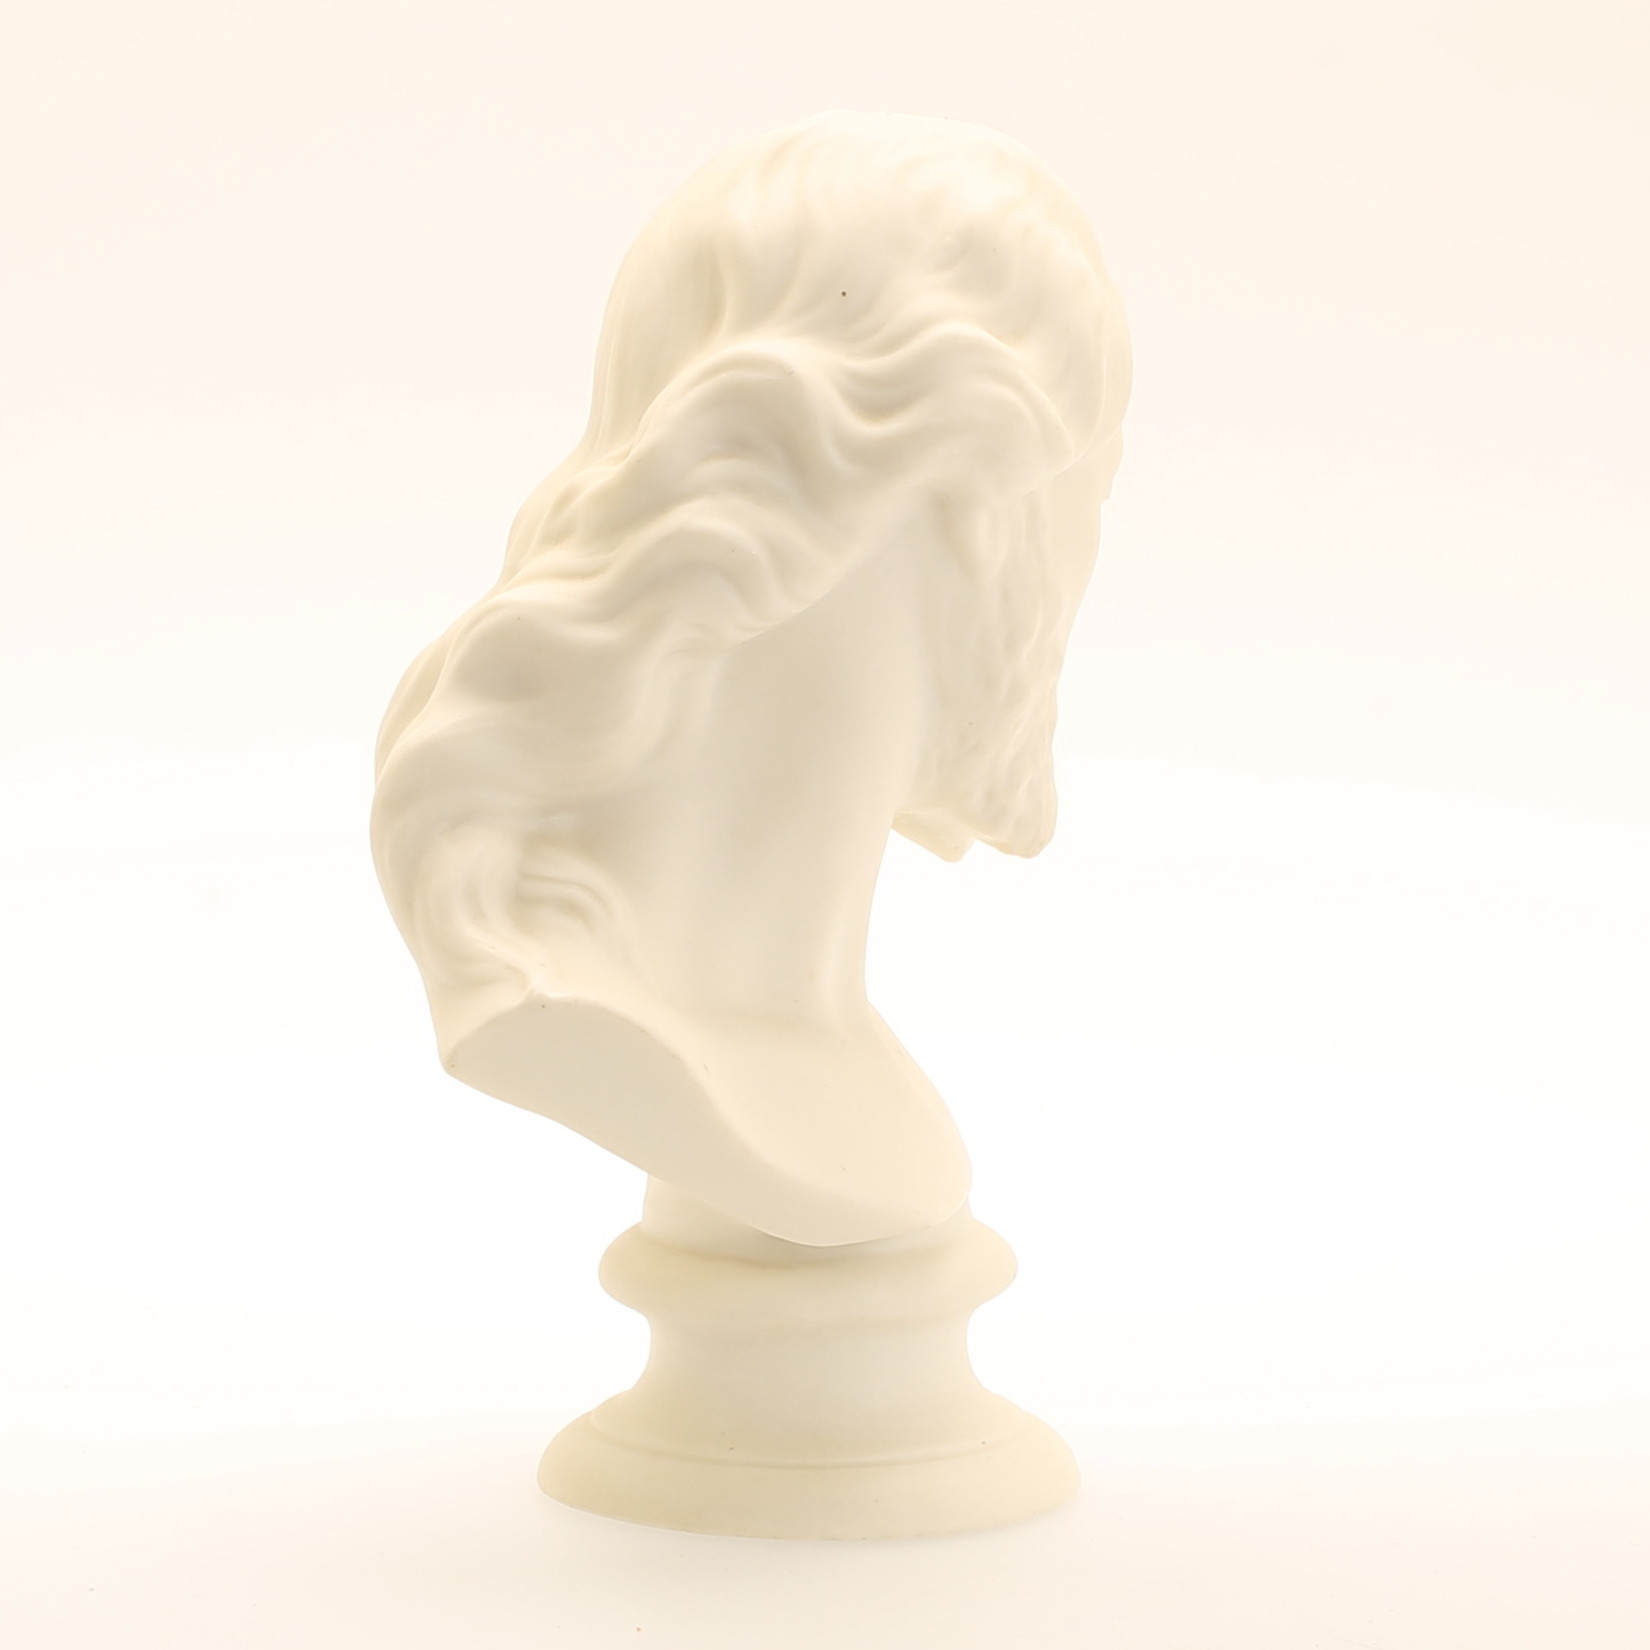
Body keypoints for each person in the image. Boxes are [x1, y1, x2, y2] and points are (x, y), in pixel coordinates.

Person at [370, 110, 1131, 1246]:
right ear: (979, 495)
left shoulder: (796, 1035)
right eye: (1092, 492)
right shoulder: (551, 994)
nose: (1087, 563)